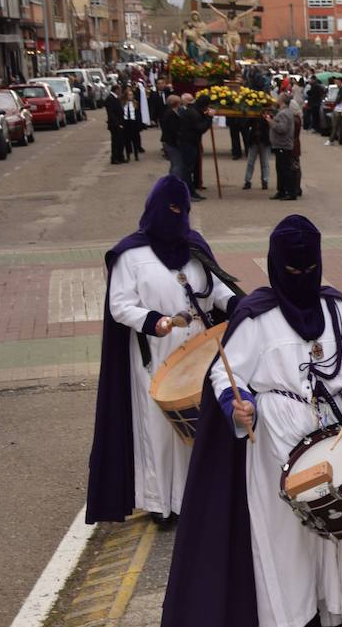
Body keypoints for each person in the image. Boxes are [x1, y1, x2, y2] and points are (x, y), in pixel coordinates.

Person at [160, 216, 342, 627]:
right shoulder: (257, 314)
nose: (302, 278)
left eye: (309, 268)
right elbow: (223, 373)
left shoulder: (336, 308)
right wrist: (237, 403)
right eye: (293, 269)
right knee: (294, 536)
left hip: (334, 430)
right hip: (277, 438)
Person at [86, 176, 239, 529]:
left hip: (199, 351)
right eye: (172, 210)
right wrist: (155, 321)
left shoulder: (194, 247)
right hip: (155, 352)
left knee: (197, 428)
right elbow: (119, 305)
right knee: (157, 428)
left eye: (183, 210)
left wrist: (237, 304)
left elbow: (214, 289)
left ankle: (196, 498)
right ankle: (160, 502)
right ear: (155, 209)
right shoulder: (131, 254)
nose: (178, 217)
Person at [177, 95, 212, 201]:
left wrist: (206, 116)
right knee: (187, 169)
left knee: (191, 167)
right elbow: (200, 128)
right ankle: (188, 193)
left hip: (190, 141)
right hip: (188, 142)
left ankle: (193, 189)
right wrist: (209, 118)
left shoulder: (193, 110)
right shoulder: (193, 113)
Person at [268, 93, 297, 200]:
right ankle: (281, 191)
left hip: (283, 145)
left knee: (284, 169)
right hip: (282, 145)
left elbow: (282, 129)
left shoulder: (284, 113)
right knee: (280, 169)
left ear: (282, 101)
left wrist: (271, 122)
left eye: (279, 98)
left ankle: (289, 192)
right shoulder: (284, 112)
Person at [242, 111, 270, 192]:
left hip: (264, 141)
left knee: (264, 163)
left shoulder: (268, 114)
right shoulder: (253, 114)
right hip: (254, 141)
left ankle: (265, 180)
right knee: (251, 162)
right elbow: (245, 125)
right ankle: (248, 181)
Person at [160, 94, 183, 180]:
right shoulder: (171, 114)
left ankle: (171, 181)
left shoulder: (170, 112)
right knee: (177, 164)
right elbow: (174, 130)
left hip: (168, 141)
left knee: (174, 164)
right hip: (171, 142)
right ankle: (174, 183)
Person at [105, 87, 125, 165]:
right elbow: (111, 113)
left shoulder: (116, 98)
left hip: (119, 123)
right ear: (116, 90)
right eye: (119, 90)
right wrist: (117, 123)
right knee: (116, 142)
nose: (120, 91)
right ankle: (115, 158)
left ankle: (120, 157)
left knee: (120, 141)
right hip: (115, 125)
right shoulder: (110, 99)